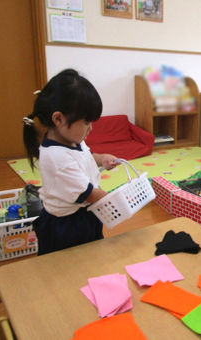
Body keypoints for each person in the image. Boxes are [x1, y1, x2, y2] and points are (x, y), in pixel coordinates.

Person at [22, 69, 118, 255]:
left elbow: (86, 157)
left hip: (85, 215)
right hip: (66, 226)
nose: (90, 128)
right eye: (86, 122)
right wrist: (119, 200)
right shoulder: (56, 158)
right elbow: (89, 194)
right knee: (66, 268)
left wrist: (102, 159)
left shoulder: (74, 139)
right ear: (58, 119)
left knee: (90, 257)